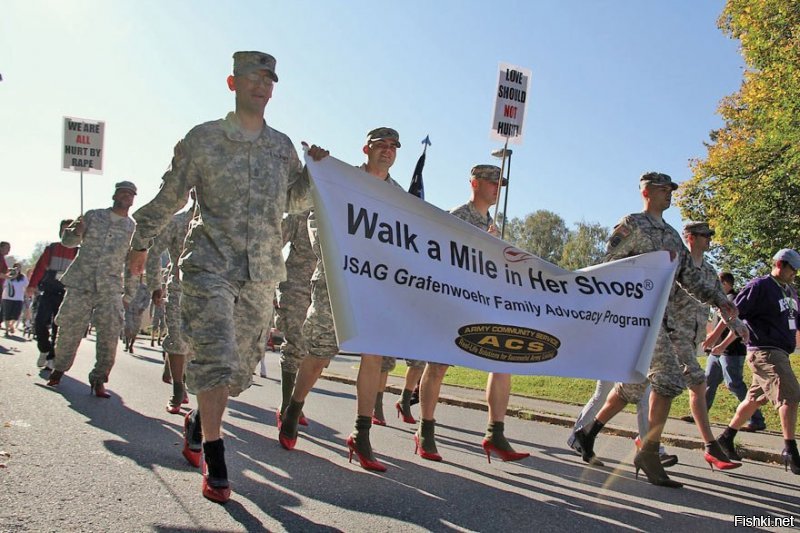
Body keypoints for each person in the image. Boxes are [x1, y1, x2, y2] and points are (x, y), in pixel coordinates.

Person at [128, 51, 327, 504]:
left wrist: (315, 174)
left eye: (269, 80)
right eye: (252, 78)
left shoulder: (282, 147)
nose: (262, 86)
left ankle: (201, 420)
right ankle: (216, 457)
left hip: (260, 274)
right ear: (232, 83)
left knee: (237, 369)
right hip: (210, 264)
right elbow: (170, 194)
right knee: (215, 355)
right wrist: (141, 242)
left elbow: (294, 202)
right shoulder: (203, 139)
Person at [569, 172, 743, 488]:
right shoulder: (631, 224)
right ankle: (648, 451)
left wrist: (721, 299)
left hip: (657, 320)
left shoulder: (671, 235)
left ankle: (587, 432)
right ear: (647, 192)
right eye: (664, 189)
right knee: (668, 378)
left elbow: (689, 277)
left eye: (671, 190)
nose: (670, 194)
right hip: (633, 315)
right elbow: (607, 265)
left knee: (635, 387)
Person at [278, 127, 405, 473]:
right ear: (366, 149)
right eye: (381, 146)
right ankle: (293, 408)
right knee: (319, 356)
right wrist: (313, 171)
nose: (388, 151)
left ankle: (361, 435)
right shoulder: (339, 179)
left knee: (373, 354)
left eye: (394, 147)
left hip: (375, 287)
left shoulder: (398, 196)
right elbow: (310, 217)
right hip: (336, 282)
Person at [413, 165, 529, 463]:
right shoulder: (457, 217)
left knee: (502, 360)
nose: (497, 188)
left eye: (500, 183)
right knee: (438, 365)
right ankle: (425, 430)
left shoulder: (492, 225)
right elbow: (436, 256)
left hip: (481, 303)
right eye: (492, 182)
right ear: (475, 183)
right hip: (451, 302)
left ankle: (496, 432)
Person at [46, 181, 138, 399]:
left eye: (131, 194)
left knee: (109, 335)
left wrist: (129, 294)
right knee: (69, 329)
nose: (126, 196)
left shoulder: (133, 228)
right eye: (123, 192)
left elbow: (133, 264)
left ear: (134, 199)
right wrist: (75, 231)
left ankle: (99, 379)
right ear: (114, 195)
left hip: (110, 288)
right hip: (81, 283)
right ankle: (59, 370)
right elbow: (67, 242)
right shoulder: (93, 216)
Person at [716, 249, 800, 475]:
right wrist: (720, 339)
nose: (795, 273)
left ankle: (726, 438)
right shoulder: (760, 286)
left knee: (754, 399)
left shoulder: (790, 292)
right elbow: (733, 312)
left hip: (781, 352)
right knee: (790, 396)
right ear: (780, 264)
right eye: (793, 269)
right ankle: (790, 450)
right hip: (765, 351)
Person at [701, 272, 766, 431]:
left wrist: (721, 344)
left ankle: (756, 419)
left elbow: (735, 326)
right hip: (717, 351)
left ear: (725, 284)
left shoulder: (733, 300)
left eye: (718, 283)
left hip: (732, 351)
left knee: (734, 384)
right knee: (708, 381)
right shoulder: (720, 302)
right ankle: (700, 414)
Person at [275, 210, 315, 426]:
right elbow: (274, 245)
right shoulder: (300, 212)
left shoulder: (338, 211)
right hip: (296, 287)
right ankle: (287, 406)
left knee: (314, 351)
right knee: (296, 345)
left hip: (323, 291)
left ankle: (296, 402)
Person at [26, 219, 77, 369]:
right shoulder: (52, 248)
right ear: (60, 232)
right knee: (40, 322)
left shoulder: (79, 252)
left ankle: (52, 357)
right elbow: (40, 267)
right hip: (48, 291)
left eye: (71, 229)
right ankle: (44, 348)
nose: (67, 232)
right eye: (65, 230)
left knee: (59, 327)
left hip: (67, 294)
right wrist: (32, 285)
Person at [2, 263, 29, 335]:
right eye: (15, 268)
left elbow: (26, 286)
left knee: (16, 315)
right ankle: (7, 330)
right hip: (7, 298)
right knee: (7, 314)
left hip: (19, 298)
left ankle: (11, 325)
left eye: (19, 268)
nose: (17, 269)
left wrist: (27, 295)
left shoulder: (23, 277)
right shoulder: (7, 276)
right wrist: (10, 276)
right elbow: (3, 285)